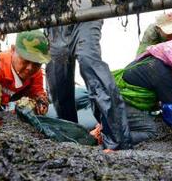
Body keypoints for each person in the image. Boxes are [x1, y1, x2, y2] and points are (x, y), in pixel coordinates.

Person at [45, 20, 131, 151]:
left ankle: (116, 143)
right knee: (57, 75)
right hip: (55, 19)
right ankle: (72, 135)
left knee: (88, 61)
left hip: (86, 13)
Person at [113, 34, 172, 144]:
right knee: (154, 132)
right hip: (117, 103)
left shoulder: (155, 60)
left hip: (118, 99)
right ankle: (113, 139)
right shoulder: (162, 73)